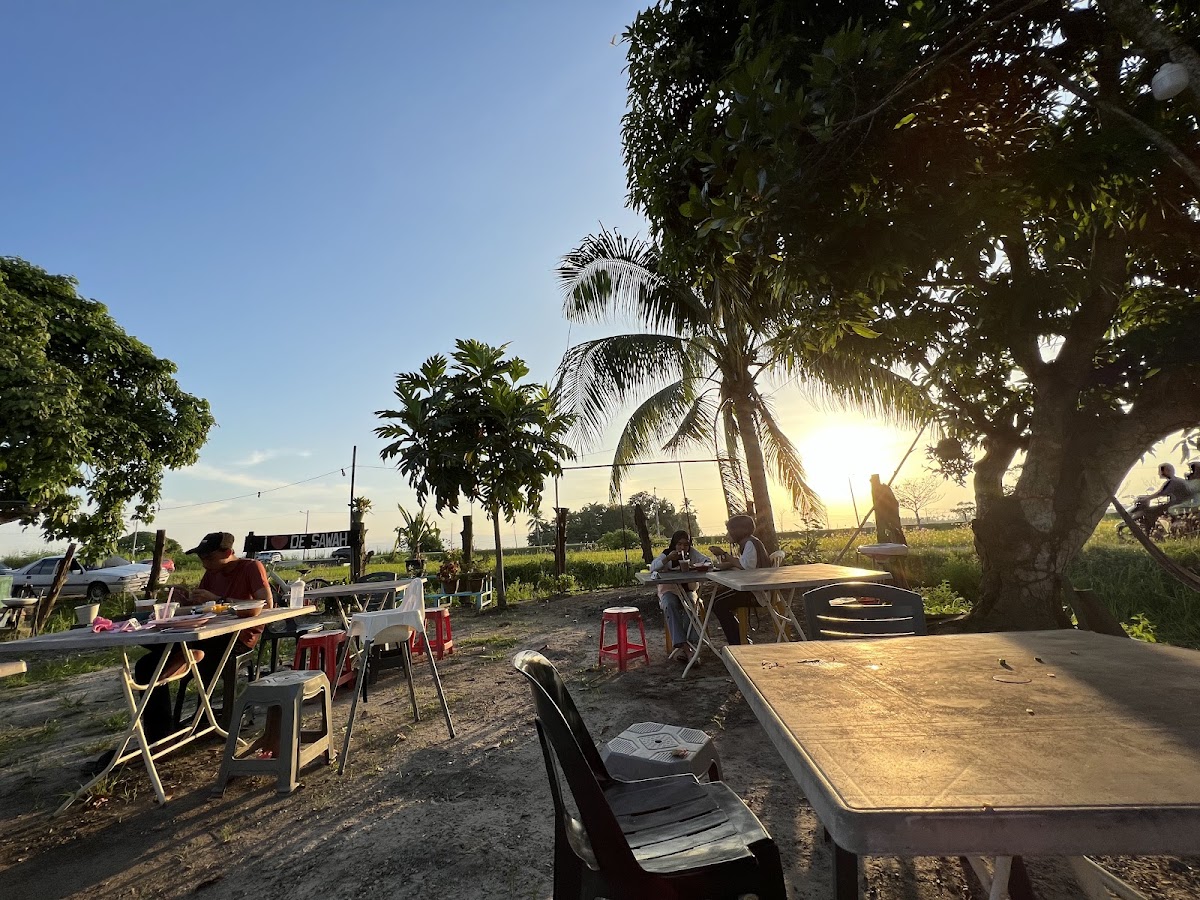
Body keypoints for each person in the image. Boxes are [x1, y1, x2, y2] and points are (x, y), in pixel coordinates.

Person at [133, 532, 273, 745]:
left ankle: (190, 657)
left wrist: (220, 600)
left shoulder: (251, 567)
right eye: (201, 558)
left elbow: (267, 604)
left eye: (209, 558)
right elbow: (203, 608)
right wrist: (186, 601)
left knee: (172, 658)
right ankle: (159, 738)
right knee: (147, 665)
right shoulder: (211, 573)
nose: (204, 563)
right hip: (204, 634)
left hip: (237, 638)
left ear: (228, 552)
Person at [650, 531, 710, 663]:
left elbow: (708, 561)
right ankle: (687, 648)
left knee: (692, 604)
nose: (682, 548)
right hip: (669, 590)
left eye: (685, 544)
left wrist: (695, 566)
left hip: (688, 589)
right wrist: (667, 559)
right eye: (679, 544)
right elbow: (652, 568)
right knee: (670, 604)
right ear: (674, 544)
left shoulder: (692, 554)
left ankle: (688, 647)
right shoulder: (667, 553)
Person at [708, 514, 769, 646]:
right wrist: (729, 564)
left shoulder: (750, 544)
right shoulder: (750, 543)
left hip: (756, 593)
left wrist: (724, 554)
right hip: (753, 588)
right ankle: (741, 638)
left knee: (719, 605)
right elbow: (745, 563)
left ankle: (738, 642)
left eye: (729, 531)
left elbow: (745, 566)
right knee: (717, 600)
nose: (727, 535)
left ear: (738, 531)